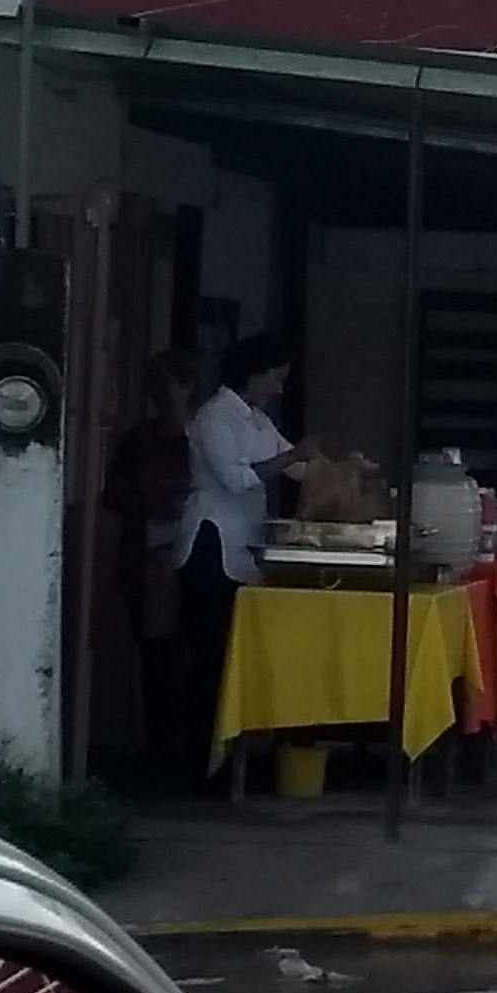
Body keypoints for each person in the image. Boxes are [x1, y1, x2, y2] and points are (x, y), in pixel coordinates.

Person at [175, 334, 312, 779]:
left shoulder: (256, 420)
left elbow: (295, 465)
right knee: (207, 658)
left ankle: (229, 757)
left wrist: (340, 470)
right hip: (210, 546)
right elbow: (236, 479)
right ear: (254, 374)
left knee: (232, 654)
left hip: (244, 548)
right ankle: (199, 764)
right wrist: (294, 456)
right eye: (276, 378)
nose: (279, 388)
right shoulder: (216, 417)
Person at [98, 349, 204, 777]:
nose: (162, 397)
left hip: (191, 556)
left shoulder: (201, 438)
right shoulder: (138, 440)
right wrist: (148, 503)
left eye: (169, 387)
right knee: (156, 658)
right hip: (146, 560)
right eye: (155, 389)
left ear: (188, 389)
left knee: (192, 656)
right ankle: (160, 747)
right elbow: (113, 494)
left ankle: (187, 747)